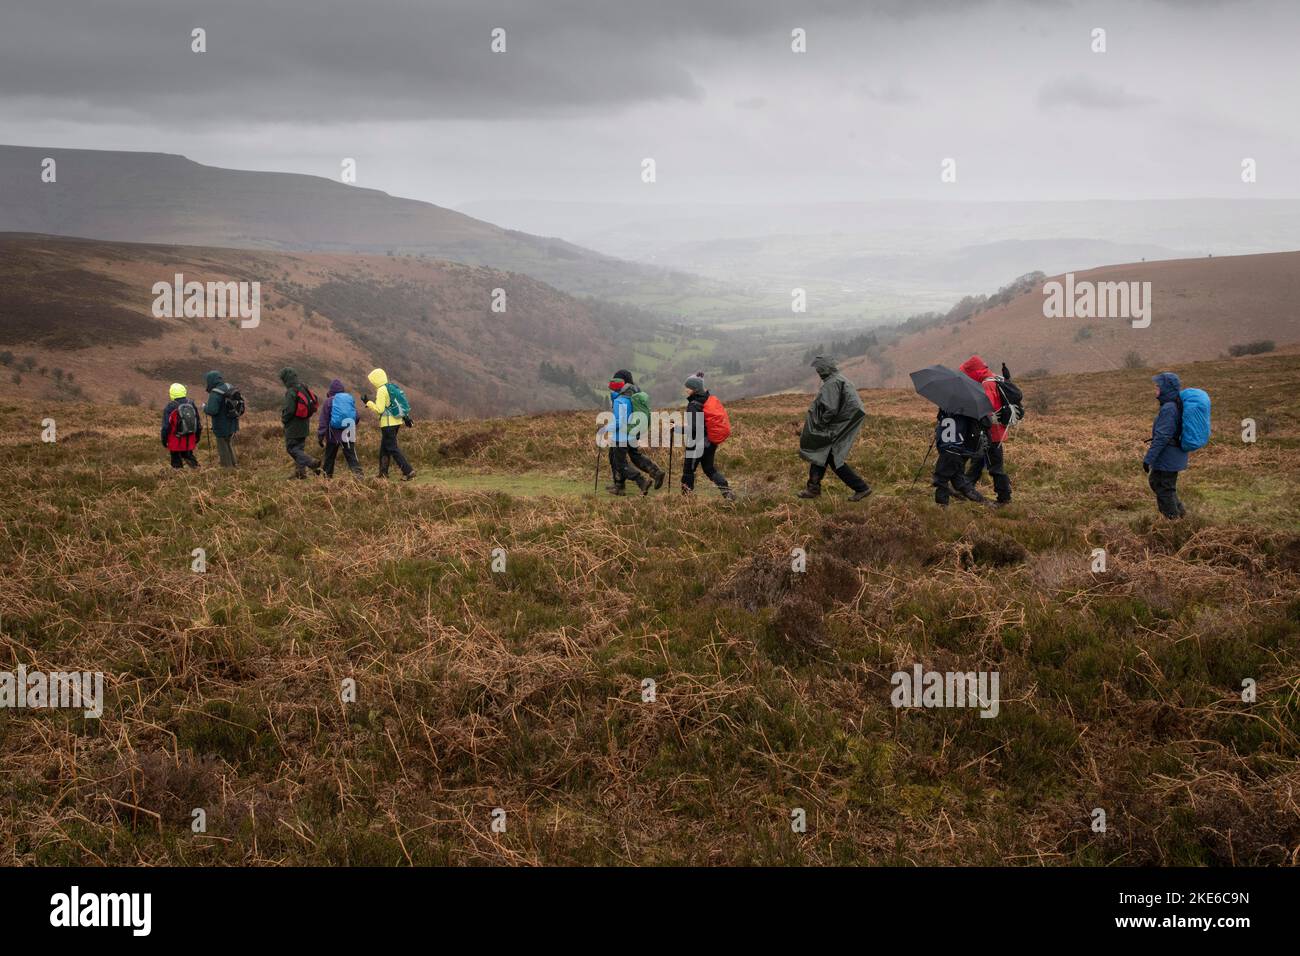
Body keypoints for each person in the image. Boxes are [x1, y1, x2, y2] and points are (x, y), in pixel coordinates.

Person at [797, 356, 872, 500]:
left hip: (836, 425)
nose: (818, 372)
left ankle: (861, 488)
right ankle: (813, 488)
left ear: (825, 369)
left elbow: (830, 409)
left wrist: (821, 424)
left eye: (819, 369)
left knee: (832, 457)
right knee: (821, 454)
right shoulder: (838, 379)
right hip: (842, 423)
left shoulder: (832, 383)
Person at [959, 355, 1012, 506]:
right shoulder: (995, 378)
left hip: (992, 432)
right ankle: (965, 488)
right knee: (978, 459)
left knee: (995, 466)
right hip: (995, 430)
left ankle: (1004, 498)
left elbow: (985, 409)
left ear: (974, 371)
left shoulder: (987, 385)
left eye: (967, 373)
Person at [1143, 372, 1189, 519]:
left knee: (1164, 487)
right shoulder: (1172, 404)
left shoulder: (1169, 408)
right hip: (1171, 454)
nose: (1155, 389)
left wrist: (1148, 459)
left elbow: (1162, 436)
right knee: (1158, 482)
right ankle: (1180, 515)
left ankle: (1173, 522)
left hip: (1169, 455)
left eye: (1158, 386)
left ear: (1166, 388)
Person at [681, 375, 735, 500]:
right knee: (709, 469)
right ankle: (727, 493)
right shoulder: (706, 400)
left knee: (688, 470)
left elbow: (695, 428)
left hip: (698, 443)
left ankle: (685, 500)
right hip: (710, 441)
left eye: (688, 387)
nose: (686, 390)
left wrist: (677, 428)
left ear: (694, 389)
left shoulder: (693, 405)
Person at [612, 368, 665, 489]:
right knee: (635, 456)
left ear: (622, 382)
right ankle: (656, 472)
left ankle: (637, 481)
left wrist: (607, 428)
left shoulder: (622, 399)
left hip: (622, 434)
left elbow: (620, 420)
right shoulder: (635, 394)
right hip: (634, 431)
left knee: (619, 462)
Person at [601, 376, 652, 496]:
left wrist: (605, 428)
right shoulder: (628, 399)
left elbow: (620, 421)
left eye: (611, 389)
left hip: (621, 437)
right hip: (629, 436)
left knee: (621, 464)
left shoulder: (619, 401)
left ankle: (642, 481)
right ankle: (620, 488)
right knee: (620, 462)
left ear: (614, 390)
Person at [363, 368, 415, 481]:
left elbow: (379, 410)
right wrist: (406, 418)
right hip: (396, 422)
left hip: (387, 424)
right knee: (384, 449)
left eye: (372, 380)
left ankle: (408, 471)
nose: (372, 383)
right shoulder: (390, 387)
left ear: (376, 380)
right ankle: (383, 473)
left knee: (392, 448)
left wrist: (368, 402)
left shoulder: (381, 390)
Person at [279, 367, 322, 479]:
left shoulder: (291, 391)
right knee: (299, 448)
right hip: (304, 424)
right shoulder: (303, 387)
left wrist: (284, 419)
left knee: (292, 448)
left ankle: (311, 462)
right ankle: (300, 473)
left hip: (294, 426)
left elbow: (289, 410)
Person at [318, 378, 364, 479]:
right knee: (351, 456)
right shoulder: (348, 400)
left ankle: (327, 479)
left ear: (331, 391)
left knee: (330, 457)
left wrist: (321, 435)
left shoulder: (328, 402)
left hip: (332, 435)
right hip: (348, 433)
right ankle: (359, 476)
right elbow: (356, 416)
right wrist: (351, 425)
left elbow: (323, 420)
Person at [202, 370, 241, 468]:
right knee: (229, 444)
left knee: (223, 447)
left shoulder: (215, 393)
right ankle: (234, 464)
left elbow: (212, 410)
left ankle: (227, 468)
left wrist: (204, 407)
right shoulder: (230, 387)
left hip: (221, 425)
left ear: (211, 380)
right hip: (233, 422)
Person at [161, 382, 201, 469]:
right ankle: (198, 473)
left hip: (175, 440)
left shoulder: (170, 407)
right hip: (189, 438)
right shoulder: (191, 404)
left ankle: (179, 478)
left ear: (171, 394)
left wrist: (164, 441)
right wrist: (197, 438)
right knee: (189, 457)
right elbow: (198, 423)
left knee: (176, 462)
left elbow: (166, 427)